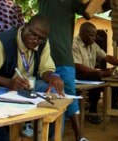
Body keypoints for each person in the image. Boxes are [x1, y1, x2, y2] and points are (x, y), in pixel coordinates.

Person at [0, 14, 64, 141]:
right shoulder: (3, 42)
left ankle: (50, 136)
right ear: (25, 26)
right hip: (2, 87)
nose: (35, 40)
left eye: (40, 38)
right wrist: (9, 83)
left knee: (53, 92)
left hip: (27, 86)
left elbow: (45, 69)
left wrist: (52, 76)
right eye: (32, 34)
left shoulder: (43, 43)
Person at [38, 0, 88, 140]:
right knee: (44, 95)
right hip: (42, 56)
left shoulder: (72, 1)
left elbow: (89, 11)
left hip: (64, 57)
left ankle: (79, 136)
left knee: (69, 95)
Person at [72, 22, 118, 124]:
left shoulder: (93, 45)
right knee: (97, 76)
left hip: (90, 74)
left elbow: (107, 57)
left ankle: (113, 105)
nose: (94, 38)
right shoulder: (74, 44)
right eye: (91, 35)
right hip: (77, 75)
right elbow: (78, 66)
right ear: (82, 33)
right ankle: (93, 110)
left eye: (95, 35)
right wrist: (100, 72)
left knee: (115, 72)